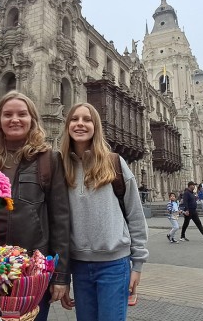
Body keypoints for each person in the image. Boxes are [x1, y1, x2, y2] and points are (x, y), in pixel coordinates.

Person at [0, 91, 70, 321]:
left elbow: (61, 220)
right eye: (7, 114)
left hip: (33, 270)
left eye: (22, 114)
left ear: (32, 120)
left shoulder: (48, 159)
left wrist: (60, 277)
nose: (15, 119)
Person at [58, 103, 148, 321]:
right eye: (74, 119)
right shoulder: (60, 166)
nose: (80, 124)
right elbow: (59, 223)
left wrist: (137, 265)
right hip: (78, 267)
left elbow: (135, 215)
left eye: (87, 120)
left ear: (96, 126)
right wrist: (63, 276)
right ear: (67, 125)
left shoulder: (114, 163)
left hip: (114, 266)